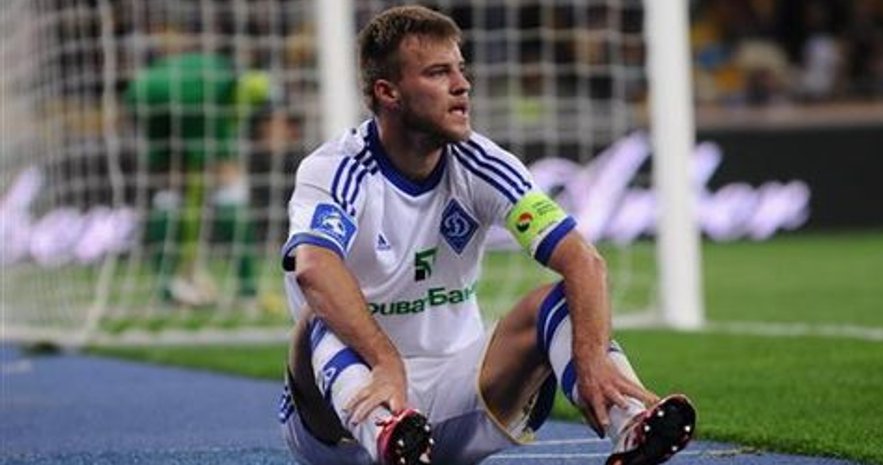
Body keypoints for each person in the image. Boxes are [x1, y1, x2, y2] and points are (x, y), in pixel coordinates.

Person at [277, 6, 695, 465]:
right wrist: (385, 361)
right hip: (342, 424)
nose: (462, 85)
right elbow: (313, 268)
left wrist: (591, 358)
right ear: (388, 92)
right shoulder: (335, 168)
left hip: (461, 397)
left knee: (558, 299)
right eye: (438, 72)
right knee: (318, 316)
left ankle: (631, 423)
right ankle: (386, 433)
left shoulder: (483, 164)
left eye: (460, 69)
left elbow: (584, 260)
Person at [124, 52, 273, 306]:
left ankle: (170, 286)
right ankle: (247, 289)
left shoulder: (212, 66)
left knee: (172, 185)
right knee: (228, 180)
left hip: (142, 93)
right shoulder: (234, 89)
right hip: (197, 96)